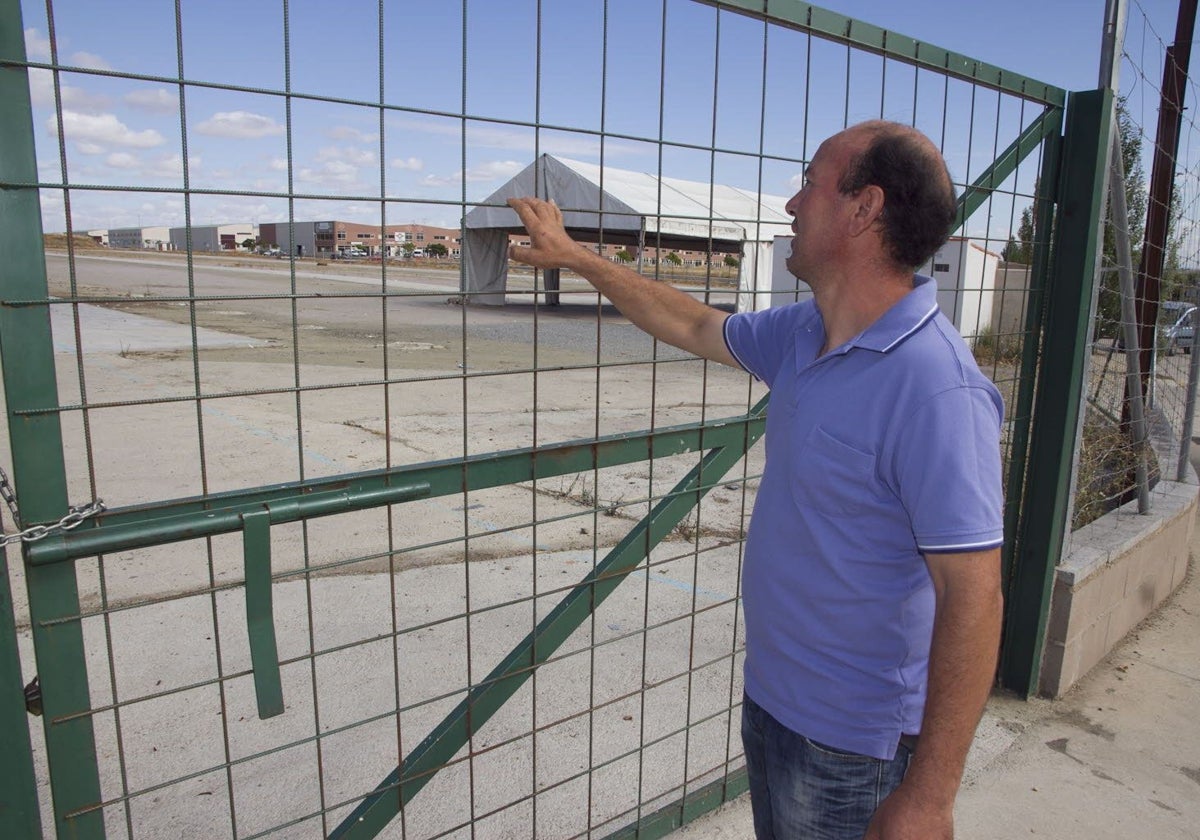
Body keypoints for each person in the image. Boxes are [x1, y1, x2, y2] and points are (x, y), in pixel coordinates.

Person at [506, 120, 1004, 840]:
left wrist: (929, 799)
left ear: (864, 208)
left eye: (810, 183)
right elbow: (695, 325)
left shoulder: (935, 389)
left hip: (854, 746)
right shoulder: (806, 333)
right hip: (773, 703)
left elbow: (975, 594)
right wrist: (580, 258)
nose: (791, 205)